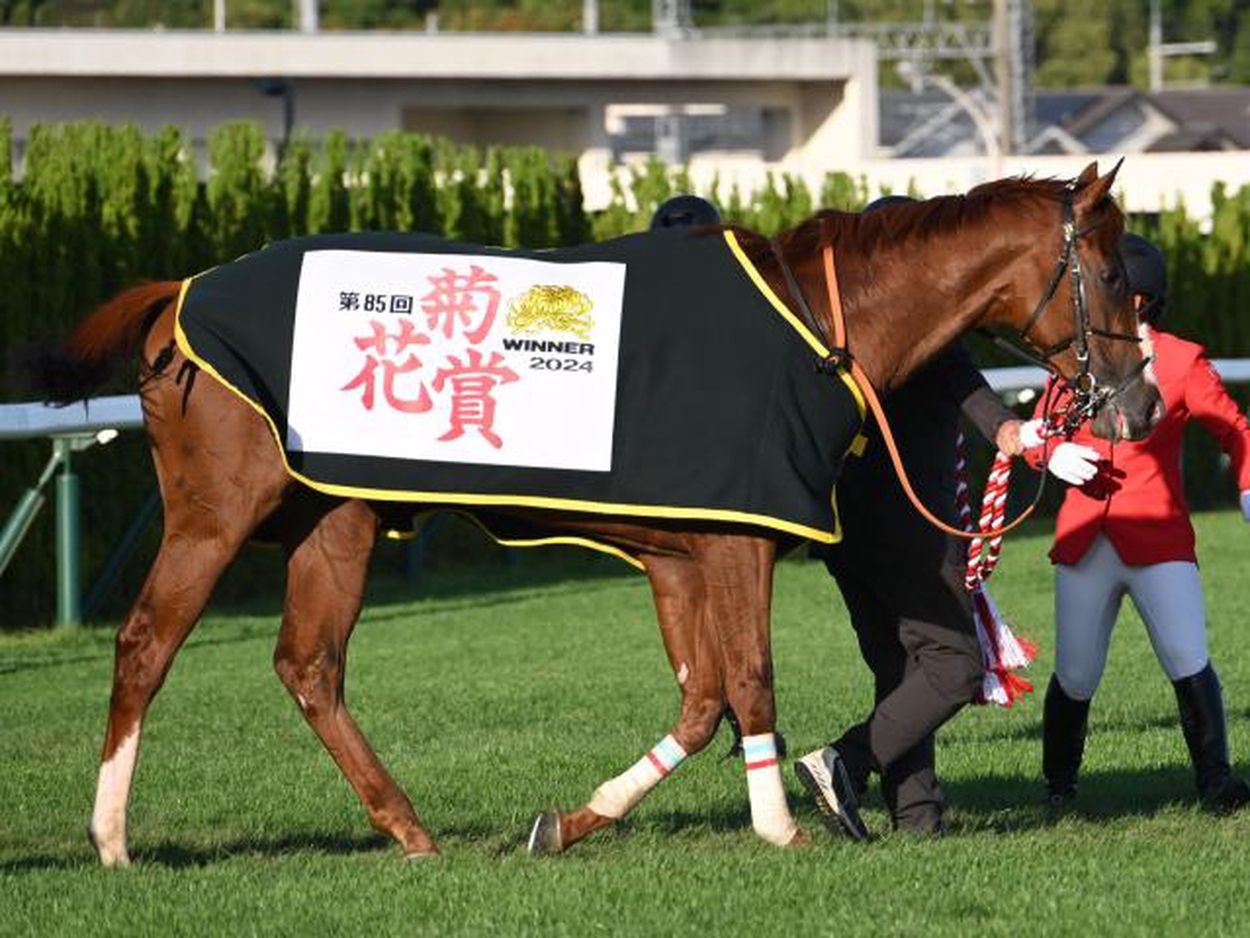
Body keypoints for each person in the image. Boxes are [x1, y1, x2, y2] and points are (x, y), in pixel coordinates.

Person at [794, 195, 1027, 840]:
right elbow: (964, 381)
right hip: (913, 531)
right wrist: (1008, 428)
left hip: (842, 529)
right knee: (953, 667)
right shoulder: (924, 328)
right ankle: (846, 759)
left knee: (903, 674)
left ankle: (918, 817)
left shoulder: (836, 331)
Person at [1026, 232, 1250, 812]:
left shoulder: (1181, 360)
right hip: (1085, 538)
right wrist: (1048, 454)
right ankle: (1058, 789)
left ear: (1138, 299)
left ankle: (1215, 782)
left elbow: (1236, 430)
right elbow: (1037, 429)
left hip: (1158, 536)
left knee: (1186, 656)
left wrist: (1249, 484)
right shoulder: (1079, 358)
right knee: (1075, 672)